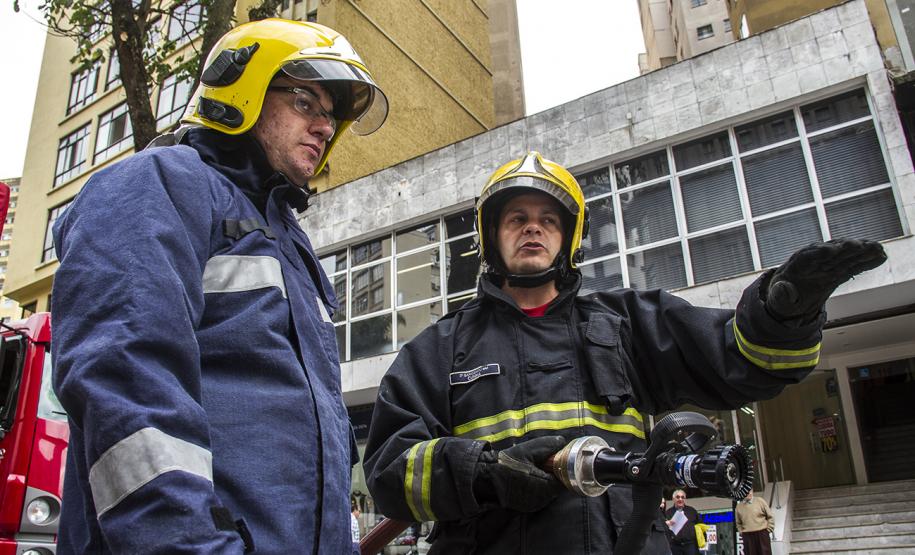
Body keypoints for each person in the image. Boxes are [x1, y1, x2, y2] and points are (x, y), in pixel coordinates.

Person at [362, 151, 887, 554]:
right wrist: (478, 471)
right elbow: (389, 473)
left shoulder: (627, 322)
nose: (532, 227)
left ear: (568, 238)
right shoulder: (439, 348)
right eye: (515, 218)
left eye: (548, 219)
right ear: (491, 237)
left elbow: (742, 363)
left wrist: (785, 310)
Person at [51, 19, 387, 554]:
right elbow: (127, 389)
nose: (325, 127)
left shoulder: (290, 245)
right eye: (306, 101)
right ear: (242, 90)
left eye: (332, 114)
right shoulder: (158, 183)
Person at [735, 490, 775, 555]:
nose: (750, 493)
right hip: (748, 536)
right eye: (747, 492)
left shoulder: (760, 501)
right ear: (743, 493)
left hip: (762, 534)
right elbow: (738, 523)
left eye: (751, 491)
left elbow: (770, 516)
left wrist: (769, 529)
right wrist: (741, 532)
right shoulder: (739, 507)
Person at [665, 490, 701, 555]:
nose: (680, 499)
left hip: (690, 545)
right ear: (673, 499)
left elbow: (700, 525)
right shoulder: (668, 513)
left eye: (682, 497)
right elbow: (665, 530)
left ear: (685, 499)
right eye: (678, 497)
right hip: (675, 546)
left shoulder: (692, 511)